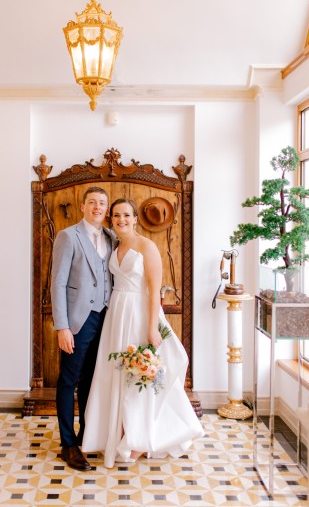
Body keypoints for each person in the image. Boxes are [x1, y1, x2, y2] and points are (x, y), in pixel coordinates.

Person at [82, 198, 204, 468]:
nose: (121, 220)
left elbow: (154, 290)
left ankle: (139, 437)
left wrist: (151, 327)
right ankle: (117, 432)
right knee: (116, 373)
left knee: (139, 375)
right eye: (116, 215)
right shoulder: (116, 245)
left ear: (136, 219)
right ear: (110, 219)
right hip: (117, 312)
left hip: (139, 312)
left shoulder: (147, 247)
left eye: (126, 215)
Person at [51, 186, 116, 471]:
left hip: (106, 318)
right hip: (78, 319)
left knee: (92, 379)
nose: (97, 207)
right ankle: (68, 444)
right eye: (92, 202)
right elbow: (58, 283)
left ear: (106, 208)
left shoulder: (112, 237)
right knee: (69, 379)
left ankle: (85, 434)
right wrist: (62, 327)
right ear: (83, 206)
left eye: (102, 203)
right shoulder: (68, 236)